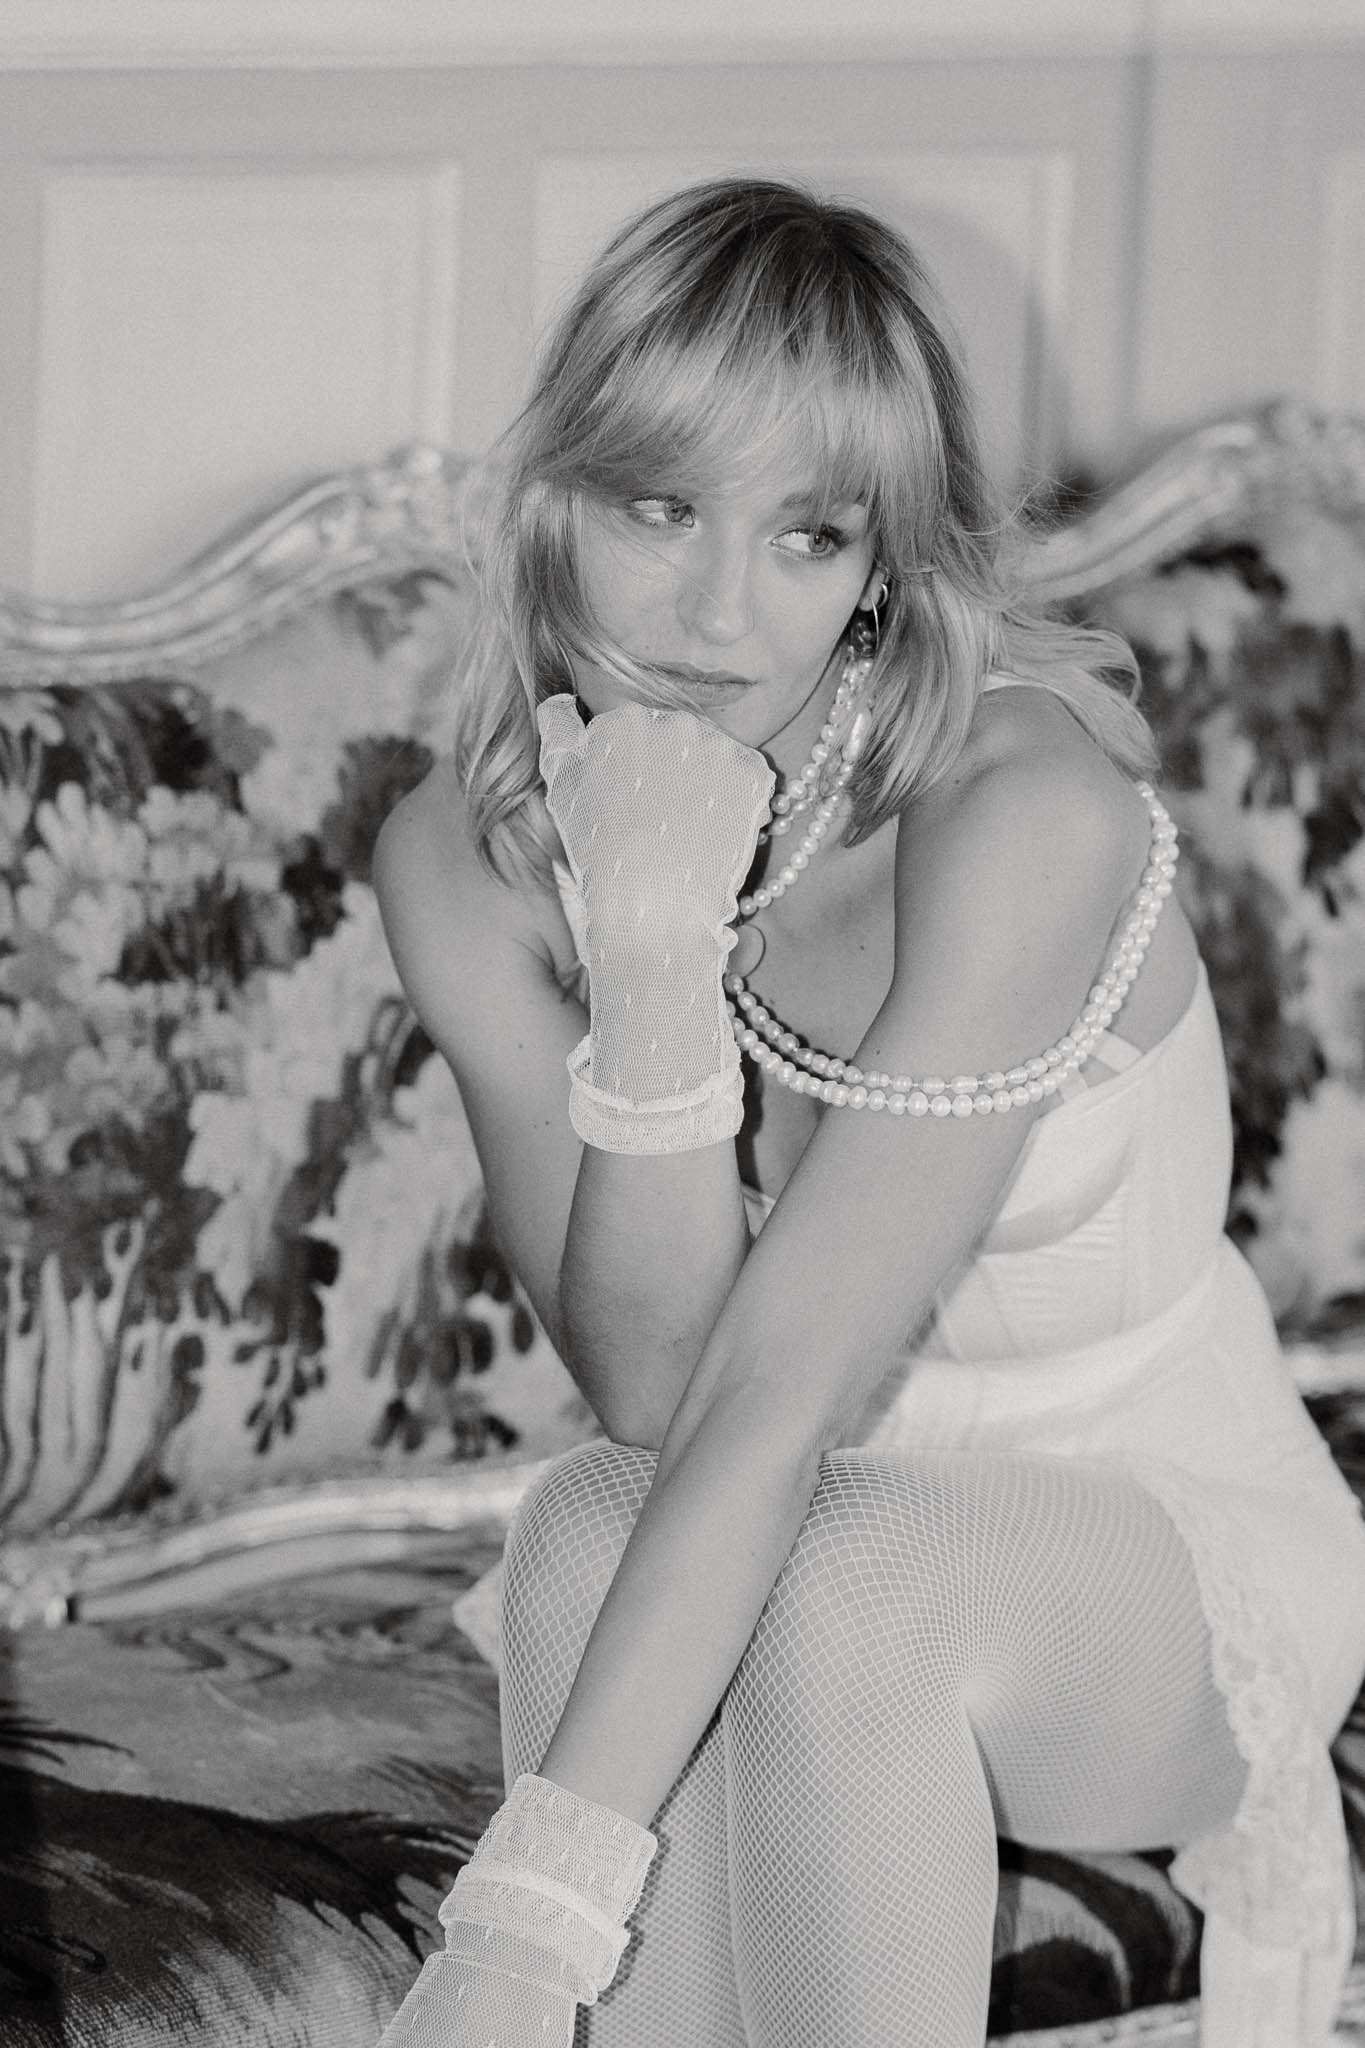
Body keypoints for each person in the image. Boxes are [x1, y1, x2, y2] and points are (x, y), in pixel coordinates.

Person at [370, 177, 1365, 2048]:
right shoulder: (465, 860)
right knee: (588, 1521)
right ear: (548, 499)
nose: (719, 608)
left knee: (841, 1581)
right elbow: (656, 1405)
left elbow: (768, 1400)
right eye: (657, 506)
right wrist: (655, 969)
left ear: (879, 570)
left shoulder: (1018, 820)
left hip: (1144, 1537)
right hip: (775, 1505)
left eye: (807, 536)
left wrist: (523, 1931)